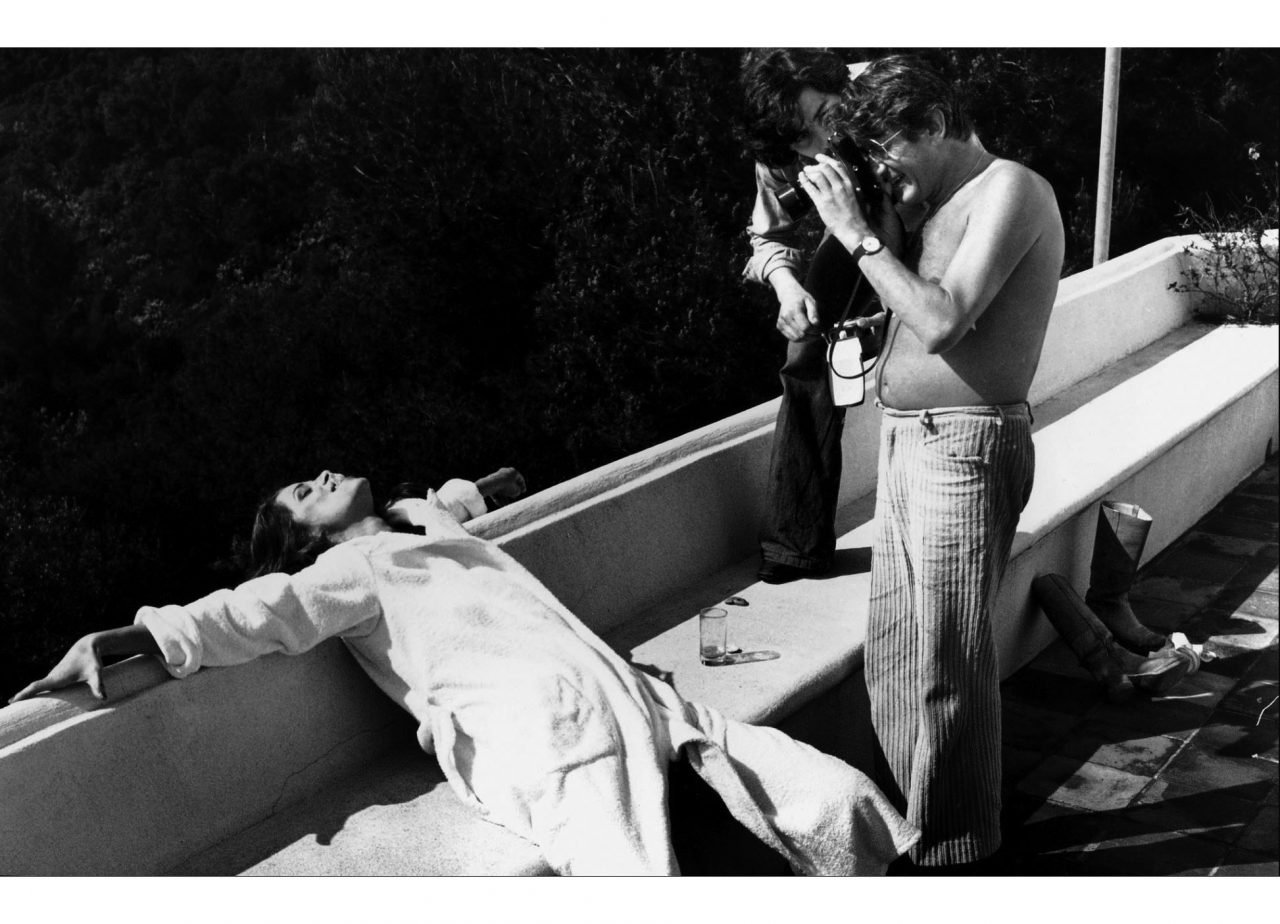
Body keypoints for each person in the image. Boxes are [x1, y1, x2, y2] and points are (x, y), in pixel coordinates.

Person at [11, 466, 919, 875]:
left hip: (633, 696)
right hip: (542, 730)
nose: (319, 474)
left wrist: (486, 488)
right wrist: (129, 636)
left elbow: (448, 506)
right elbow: (256, 612)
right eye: (301, 493)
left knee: (833, 797)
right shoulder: (344, 573)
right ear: (305, 540)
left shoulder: (419, 523)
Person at [795, 54, 1065, 870]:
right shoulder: (930, 207)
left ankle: (955, 852)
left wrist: (861, 232)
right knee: (895, 653)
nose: (883, 170)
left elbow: (944, 321)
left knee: (949, 663)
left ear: (937, 123)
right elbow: (888, 303)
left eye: (889, 150)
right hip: (909, 441)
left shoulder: (1011, 188)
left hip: (966, 445)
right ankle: (914, 823)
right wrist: (869, 225)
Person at [739, 49, 896, 584]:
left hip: (925, 206)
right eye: (802, 139)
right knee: (808, 349)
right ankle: (795, 544)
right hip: (854, 219)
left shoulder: (890, 88)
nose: (821, 141)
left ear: (842, 88)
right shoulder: (781, 145)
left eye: (826, 117)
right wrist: (788, 289)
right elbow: (767, 233)